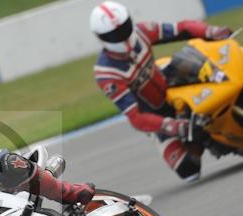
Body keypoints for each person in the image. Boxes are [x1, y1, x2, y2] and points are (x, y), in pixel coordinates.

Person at [90, 1, 232, 181]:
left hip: (171, 83)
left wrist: (210, 31)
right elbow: (136, 117)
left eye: (124, 28)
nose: (122, 37)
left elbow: (182, 28)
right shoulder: (106, 74)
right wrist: (175, 127)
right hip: (157, 116)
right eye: (113, 35)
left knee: (192, 60)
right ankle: (210, 139)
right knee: (189, 169)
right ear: (101, 37)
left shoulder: (142, 31)